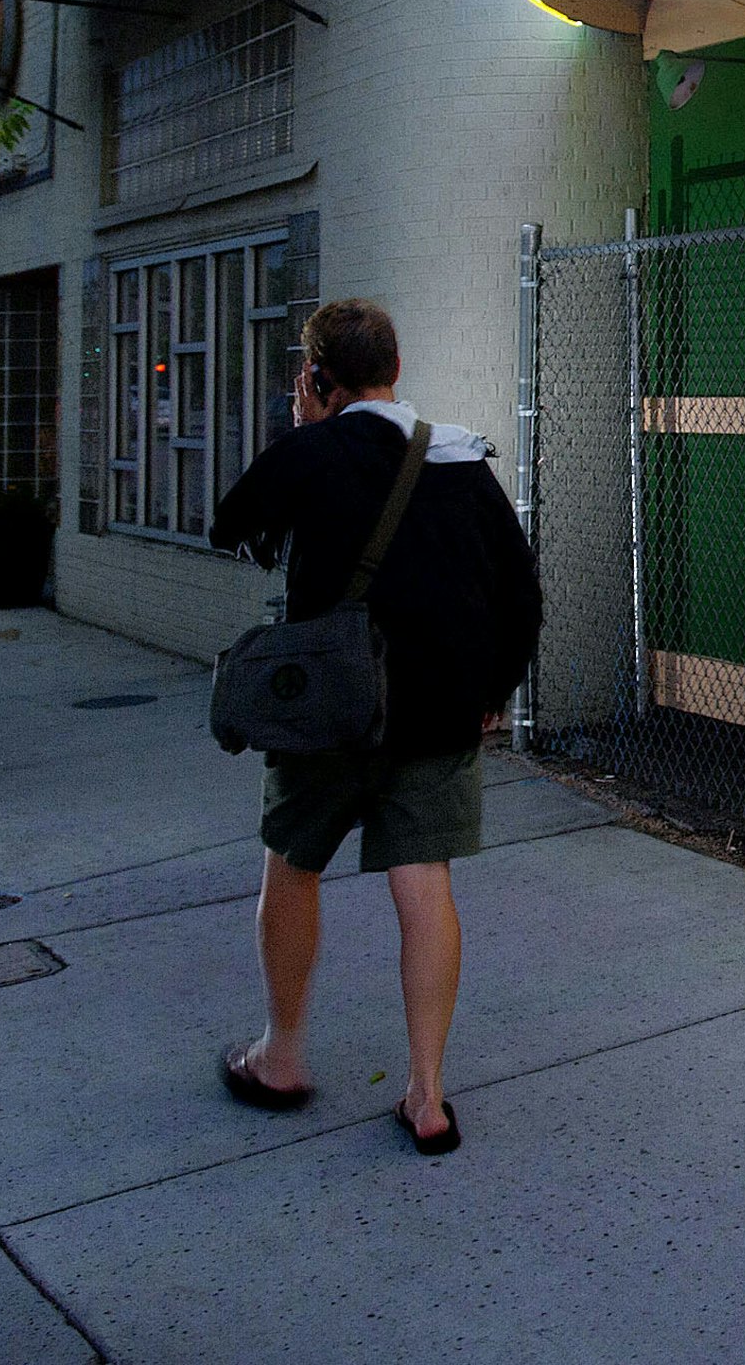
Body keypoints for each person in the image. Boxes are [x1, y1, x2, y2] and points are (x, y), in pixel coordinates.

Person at [205, 297, 541, 1156]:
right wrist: (492, 687)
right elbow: (523, 592)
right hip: (438, 713)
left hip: (326, 710)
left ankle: (281, 1057)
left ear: (318, 378)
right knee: (422, 882)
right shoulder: (461, 459)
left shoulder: (312, 450)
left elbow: (230, 526)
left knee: (293, 864)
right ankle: (427, 1096)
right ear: (395, 369)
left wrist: (304, 430)